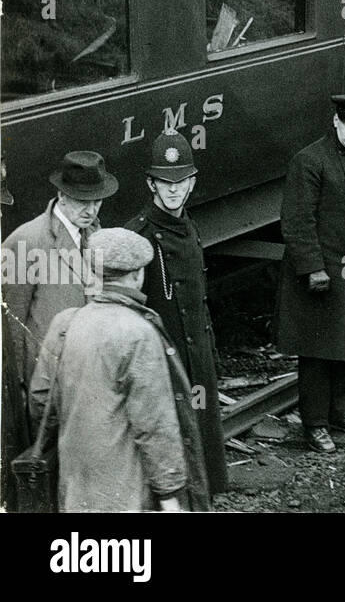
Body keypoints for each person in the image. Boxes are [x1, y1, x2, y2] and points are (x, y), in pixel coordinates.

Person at [28, 228, 210, 512]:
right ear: (138, 275)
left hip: (75, 484)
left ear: (94, 272)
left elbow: (40, 401)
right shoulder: (138, 332)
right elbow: (154, 423)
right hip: (125, 491)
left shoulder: (65, 323)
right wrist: (170, 494)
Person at [275, 94, 345, 453]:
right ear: (336, 122)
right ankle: (315, 425)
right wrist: (313, 269)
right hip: (321, 276)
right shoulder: (309, 161)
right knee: (318, 351)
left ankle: (340, 414)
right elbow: (296, 220)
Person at [122, 131, 228, 494]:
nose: (173, 190)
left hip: (195, 357)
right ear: (151, 184)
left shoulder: (188, 225)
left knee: (201, 445)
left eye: (181, 181)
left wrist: (208, 353)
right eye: (165, 182)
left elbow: (198, 301)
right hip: (163, 362)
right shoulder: (139, 237)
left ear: (192, 183)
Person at [2, 152, 116, 426]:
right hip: (46, 386)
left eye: (97, 200)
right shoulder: (26, 241)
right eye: (82, 201)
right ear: (62, 196)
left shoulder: (93, 233)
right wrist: (16, 393)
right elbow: (9, 327)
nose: (91, 210)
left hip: (85, 377)